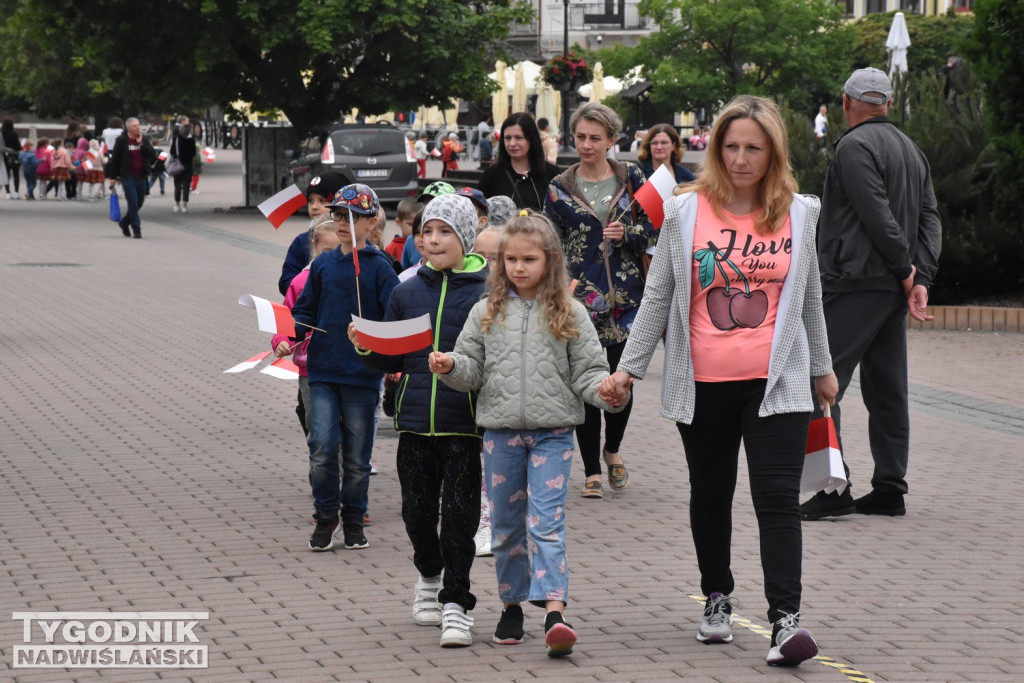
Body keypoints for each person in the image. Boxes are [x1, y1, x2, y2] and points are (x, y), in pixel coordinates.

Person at [602, 94, 838, 667]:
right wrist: (628, 370)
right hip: (702, 381)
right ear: (714, 149)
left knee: (777, 498)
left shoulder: (801, 213)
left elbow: (808, 301)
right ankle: (717, 596)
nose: (740, 158)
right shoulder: (685, 211)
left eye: (753, 148)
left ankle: (786, 619)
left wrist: (823, 369)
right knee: (711, 494)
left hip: (777, 382)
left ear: (773, 152)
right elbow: (658, 296)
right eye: (730, 146)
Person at [428, 211, 625, 657]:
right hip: (500, 437)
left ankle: (555, 610)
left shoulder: (570, 311)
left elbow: (590, 374)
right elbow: (472, 368)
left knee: (546, 525)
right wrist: (450, 367)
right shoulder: (486, 310)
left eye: (528, 259)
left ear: (550, 261)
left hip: (554, 435)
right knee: (505, 529)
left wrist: (609, 392)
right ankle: (511, 605)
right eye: (510, 260)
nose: (518, 268)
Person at [800, 68, 942, 521]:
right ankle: (890, 488)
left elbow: (877, 215)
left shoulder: (853, 146)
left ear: (846, 103)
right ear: (887, 103)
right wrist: (920, 279)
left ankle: (831, 487)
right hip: (889, 287)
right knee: (887, 388)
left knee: (820, 382)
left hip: (855, 279)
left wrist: (906, 272)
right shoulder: (911, 149)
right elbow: (930, 218)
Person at [349, 193, 488, 648]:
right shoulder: (405, 291)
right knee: (417, 513)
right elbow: (387, 357)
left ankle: (456, 603)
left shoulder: (487, 292)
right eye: (426, 231)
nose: (432, 239)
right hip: (413, 423)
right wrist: (365, 344)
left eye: (444, 231)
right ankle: (429, 575)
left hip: (464, 425)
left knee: (461, 518)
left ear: (465, 239)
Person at [544, 102, 654, 498]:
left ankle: (612, 450)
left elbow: (657, 227)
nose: (587, 145)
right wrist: (556, 287)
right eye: (580, 137)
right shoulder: (559, 187)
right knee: (585, 382)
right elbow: (548, 243)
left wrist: (628, 235)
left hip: (627, 297)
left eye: (595, 138)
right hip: (580, 299)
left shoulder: (634, 176)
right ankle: (590, 468)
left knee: (621, 379)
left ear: (611, 140)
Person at [290, 184, 400, 552]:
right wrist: (295, 332)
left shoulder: (380, 267)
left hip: (361, 375)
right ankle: (326, 515)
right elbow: (305, 310)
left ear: (372, 223)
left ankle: (354, 518)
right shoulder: (321, 264)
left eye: (352, 217)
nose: (342, 222)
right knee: (321, 446)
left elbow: (393, 316)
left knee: (357, 457)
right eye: (338, 215)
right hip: (322, 371)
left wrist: (379, 342)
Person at [272, 215, 342, 436]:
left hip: (346, 367)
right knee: (318, 429)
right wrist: (282, 341)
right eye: (326, 251)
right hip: (310, 369)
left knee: (346, 427)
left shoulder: (354, 279)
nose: (332, 258)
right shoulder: (301, 282)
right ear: (315, 247)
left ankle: (346, 467)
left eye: (338, 251)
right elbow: (286, 319)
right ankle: (320, 468)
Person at [278, 172, 346, 295]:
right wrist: (308, 286)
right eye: (310, 201)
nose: (314, 206)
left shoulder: (350, 237)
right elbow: (285, 283)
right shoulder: (301, 241)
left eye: (323, 200)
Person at [478, 112, 561, 212]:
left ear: (531, 139)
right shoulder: (491, 176)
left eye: (519, 138)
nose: (512, 143)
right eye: (508, 138)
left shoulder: (552, 174)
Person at [107, 118, 157, 238]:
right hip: (128, 176)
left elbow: (152, 155)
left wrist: (141, 144)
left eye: (138, 125)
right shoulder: (122, 140)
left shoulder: (143, 139)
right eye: (134, 126)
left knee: (139, 203)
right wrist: (113, 176)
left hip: (142, 176)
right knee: (133, 202)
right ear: (128, 128)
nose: (138, 128)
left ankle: (124, 222)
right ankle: (136, 228)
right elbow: (115, 159)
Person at [402, 181, 455, 269]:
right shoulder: (412, 240)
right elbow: (405, 271)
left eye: (437, 204)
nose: (430, 210)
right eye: (426, 204)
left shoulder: (458, 239)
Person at [170, 116, 196, 214]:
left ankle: (177, 204)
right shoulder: (191, 141)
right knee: (186, 185)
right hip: (188, 165)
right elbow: (193, 154)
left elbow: (172, 151)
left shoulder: (176, 140)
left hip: (177, 165)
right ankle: (184, 205)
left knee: (177, 185)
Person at [2, 118, 21, 199]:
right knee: (16, 175)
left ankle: (8, 192)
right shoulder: (14, 134)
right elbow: (18, 147)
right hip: (13, 156)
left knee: (6, 175)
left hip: (3, 156)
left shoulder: (1, 134)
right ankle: (16, 192)